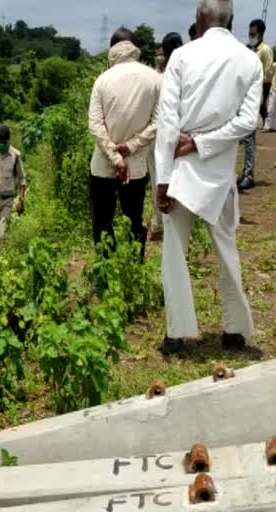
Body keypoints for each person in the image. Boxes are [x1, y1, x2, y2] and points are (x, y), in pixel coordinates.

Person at [154, 0, 258, 356]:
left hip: (181, 170)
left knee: (173, 254)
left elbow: (168, 122)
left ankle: (175, 335)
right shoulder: (249, 60)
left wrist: (163, 178)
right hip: (219, 172)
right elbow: (248, 122)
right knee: (227, 251)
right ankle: (234, 331)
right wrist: (205, 143)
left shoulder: (181, 57)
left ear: (199, 19)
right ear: (230, 20)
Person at [88, 28, 161, 259]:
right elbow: (159, 121)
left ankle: (104, 276)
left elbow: (95, 126)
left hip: (103, 167)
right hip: (136, 168)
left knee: (102, 222)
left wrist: (115, 157)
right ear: (135, 48)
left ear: (112, 49)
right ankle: (135, 269)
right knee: (134, 220)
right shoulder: (154, 79)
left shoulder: (102, 80)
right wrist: (130, 147)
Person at [148, 32, 185, 242]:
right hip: (183, 137)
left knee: (159, 179)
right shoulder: (188, 72)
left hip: (160, 135)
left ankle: (158, 223)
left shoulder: (161, 77)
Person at [239, 18, 274, 190]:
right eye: (249, 33)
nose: (250, 35)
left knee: (249, 138)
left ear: (260, 32)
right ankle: (245, 170)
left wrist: (262, 104)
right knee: (245, 138)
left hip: (256, 98)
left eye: (253, 33)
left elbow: (267, 79)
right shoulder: (250, 49)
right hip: (245, 97)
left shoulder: (265, 50)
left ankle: (249, 174)